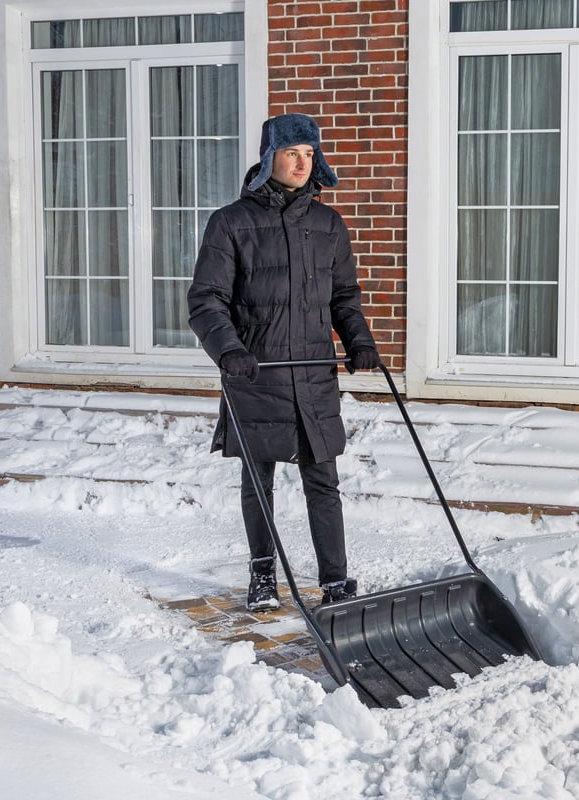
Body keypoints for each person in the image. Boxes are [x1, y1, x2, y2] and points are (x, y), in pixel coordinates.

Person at [188, 113, 381, 612]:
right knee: (260, 479)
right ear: (268, 157)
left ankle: (335, 581)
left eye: (310, 153)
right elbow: (206, 299)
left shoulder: (327, 224)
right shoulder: (230, 222)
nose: (302, 163)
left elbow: (344, 296)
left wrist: (359, 340)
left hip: (313, 371)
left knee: (324, 480)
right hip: (257, 371)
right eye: (292, 153)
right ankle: (261, 574)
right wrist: (229, 350)